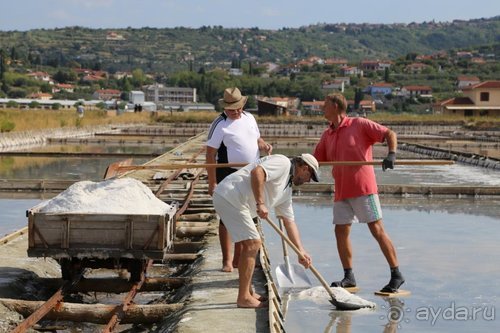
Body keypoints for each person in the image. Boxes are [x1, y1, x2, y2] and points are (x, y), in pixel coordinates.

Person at [313, 92, 405, 293]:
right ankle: (349, 276)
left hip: (363, 188)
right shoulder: (327, 134)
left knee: (376, 229)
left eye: (325, 104)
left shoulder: (359, 124)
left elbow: (390, 134)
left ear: (336, 106)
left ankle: (396, 274)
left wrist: (391, 154)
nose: (322, 108)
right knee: (340, 231)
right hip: (342, 189)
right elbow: (316, 159)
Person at [212, 153, 318, 308]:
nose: (308, 181)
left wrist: (300, 251)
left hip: (236, 202)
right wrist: (260, 203)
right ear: (304, 168)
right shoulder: (283, 163)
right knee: (253, 243)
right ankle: (243, 298)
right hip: (231, 196)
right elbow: (258, 172)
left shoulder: (286, 190)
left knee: (249, 244)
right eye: (309, 176)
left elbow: (289, 222)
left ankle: (248, 292)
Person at [206, 87, 272, 272]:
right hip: (228, 172)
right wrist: (212, 182)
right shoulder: (220, 123)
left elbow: (257, 139)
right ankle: (227, 261)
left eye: (238, 108)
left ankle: (238, 258)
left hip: (251, 173)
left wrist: (264, 145)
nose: (235, 112)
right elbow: (210, 154)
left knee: (247, 214)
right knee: (227, 217)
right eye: (231, 109)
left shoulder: (250, 118)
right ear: (225, 108)